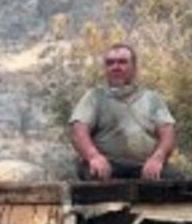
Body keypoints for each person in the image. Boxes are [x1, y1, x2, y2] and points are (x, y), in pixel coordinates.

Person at [69, 43, 181, 180]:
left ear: (134, 68)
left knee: (175, 179)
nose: (116, 67)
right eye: (110, 63)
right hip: (108, 166)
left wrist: (158, 158)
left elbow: (168, 132)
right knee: (94, 176)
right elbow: (78, 129)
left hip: (145, 166)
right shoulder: (94, 97)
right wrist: (94, 156)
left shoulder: (152, 99)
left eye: (122, 62)